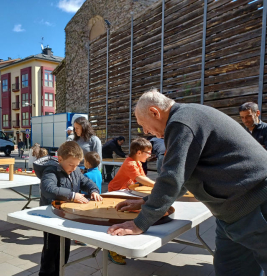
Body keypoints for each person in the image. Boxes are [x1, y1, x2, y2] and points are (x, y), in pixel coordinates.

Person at [107, 89, 267, 276]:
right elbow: (184, 176)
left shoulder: (180, 122)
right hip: (233, 214)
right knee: (230, 269)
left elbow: (172, 177)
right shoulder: (188, 116)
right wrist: (146, 202)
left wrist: (139, 223)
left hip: (256, 207)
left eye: (144, 125)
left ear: (154, 112)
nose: (146, 132)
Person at [34, 141, 102, 276]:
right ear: (60, 159)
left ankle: (60, 271)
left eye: (77, 165)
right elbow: (48, 189)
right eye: (71, 164)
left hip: (66, 216)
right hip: (51, 217)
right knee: (51, 251)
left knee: (64, 250)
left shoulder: (75, 171)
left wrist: (93, 190)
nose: (74, 167)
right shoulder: (51, 170)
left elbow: (86, 182)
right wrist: (72, 195)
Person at [106, 138, 155, 264]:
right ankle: (112, 250)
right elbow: (140, 178)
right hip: (116, 193)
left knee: (128, 217)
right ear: (139, 152)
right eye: (148, 153)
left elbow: (143, 178)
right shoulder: (130, 163)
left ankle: (122, 247)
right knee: (119, 219)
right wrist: (157, 186)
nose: (149, 155)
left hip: (125, 192)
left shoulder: (137, 162)